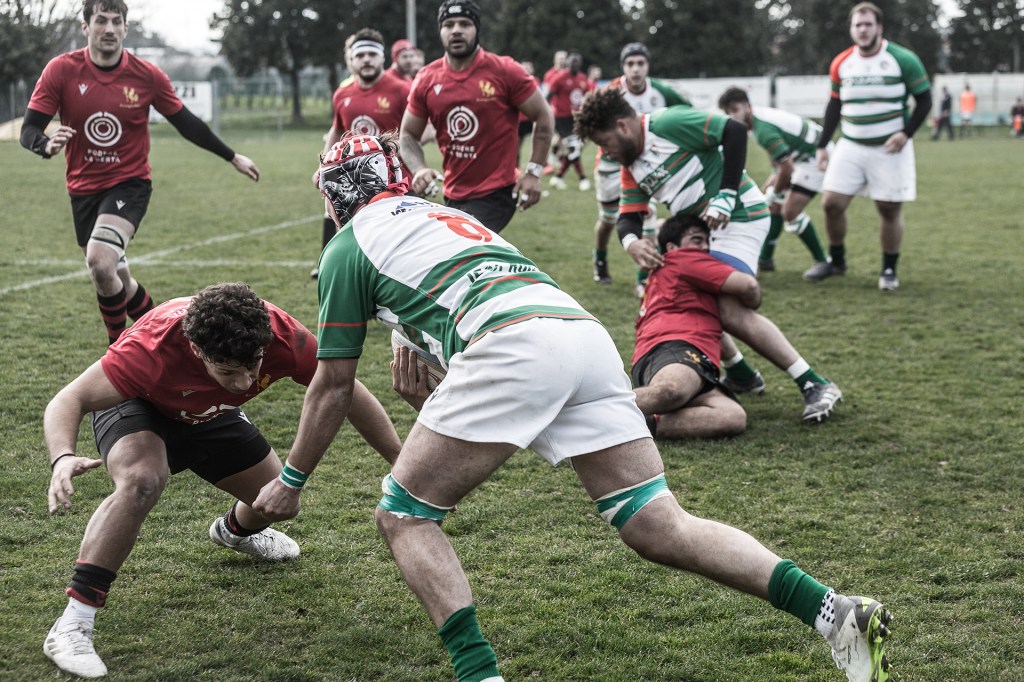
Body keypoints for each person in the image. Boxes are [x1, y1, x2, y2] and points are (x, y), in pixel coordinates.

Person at [251, 131, 892, 682]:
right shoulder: (443, 215)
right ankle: (834, 611)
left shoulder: (346, 247)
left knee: (404, 516)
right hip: (582, 336)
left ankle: (480, 675)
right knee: (657, 524)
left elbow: (333, 384)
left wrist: (292, 479)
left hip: (513, 346)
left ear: (337, 194)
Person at [41, 282, 402, 678]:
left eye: (254, 365)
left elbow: (345, 391)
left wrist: (401, 464)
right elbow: (69, 399)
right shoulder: (150, 350)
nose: (246, 383)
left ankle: (234, 532)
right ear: (197, 351)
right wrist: (63, 456)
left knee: (277, 501)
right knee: (142, 481)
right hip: (139, 405)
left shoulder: (282, 335)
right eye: (229, 371)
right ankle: (73, 623)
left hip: (209, 411)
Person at [575, 87, 844, 423]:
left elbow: (734, 131)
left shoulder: (667, 123)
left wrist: (726, 194)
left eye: (604, 143)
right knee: (692, 295)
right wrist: (631, 243)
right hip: (703, 229)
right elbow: (629, 215)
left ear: (622, 126)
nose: (605, 152)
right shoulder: (631, 165)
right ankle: (742, 374)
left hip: (740, 218)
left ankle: (814, 383)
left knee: (729, 307)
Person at [20, 0, 261, 346]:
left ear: (125, 28)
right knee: (119, 279)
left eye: (115, 21)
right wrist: (45, 145)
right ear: (86, 27)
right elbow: (30, 128)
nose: (109, 28)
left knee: (100, 263)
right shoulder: (61, 70)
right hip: (82, 189)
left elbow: (186, 123)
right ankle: (174, 341)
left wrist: (231, 156)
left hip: (129, 184)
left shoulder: (146, 76)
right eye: (100, 20)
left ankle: (117, 355)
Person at [805, 2, 931, 292]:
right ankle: (836, 262)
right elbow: (834, 105)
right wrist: (823, 145)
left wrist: (906, 134)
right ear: (851, 29)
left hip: (889, 149)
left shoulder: (903, 59)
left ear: (879, 27)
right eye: (857, 25)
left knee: (888, 209)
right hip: (850, 145)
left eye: (868, 24)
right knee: (831, 203)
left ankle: (888, 269)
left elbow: (925, 100)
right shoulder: (842, 62)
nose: (862, 30)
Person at [399, 0, 554, 233]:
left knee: (455, 246)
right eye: (449, 25)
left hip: (497, 192)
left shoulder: (505, 70)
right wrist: (419, 168)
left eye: (464, 24)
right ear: (440, 31)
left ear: (477, 29)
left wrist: (533, 171)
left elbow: (543, 114)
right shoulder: (426, 78)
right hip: (453, 192)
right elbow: (408, 134)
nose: (456, 30)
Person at [632, 215, 757, 439]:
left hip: (697, 359)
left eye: (707, 241)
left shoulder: (673, 271)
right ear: (672, 247)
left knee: (731, 416)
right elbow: (748, 286)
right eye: (697, 240)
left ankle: (633, 426)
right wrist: (753, 300)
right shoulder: (682, 258)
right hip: (673, 344)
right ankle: (590, 414)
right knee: (671, 389)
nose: (705, 247)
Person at [313, 28, 412, 280]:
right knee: (356, 249)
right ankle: (334, 270)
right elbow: (337, 129)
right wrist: (323, 166)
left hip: (396, 185)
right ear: (351, 60)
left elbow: (416, 132)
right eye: (360, 55)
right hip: (354, 186)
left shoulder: (402, 90)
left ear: (382, 57)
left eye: (371, 54)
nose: (366, 59)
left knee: (400, 251)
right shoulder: (343, 94)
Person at [591, 42, 690, 292]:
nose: (635, 69)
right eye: (630, 64)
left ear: (648, 65)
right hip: (610, 165)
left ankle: (643, 278)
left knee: (647, 215)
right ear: (623, 67)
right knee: (608, 219)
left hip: (645, 161)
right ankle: (600, 259)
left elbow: (686, 114)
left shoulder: (661, 91)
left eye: (640, 63)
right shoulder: (610, 92)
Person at [718, 87, 829, 275]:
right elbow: (778, 160)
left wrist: (775, 192)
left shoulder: (762, 130)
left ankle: (822, 261)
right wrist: (772, 184)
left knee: (790, 211)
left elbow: (787, 167)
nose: (732, 117)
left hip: (814, 159)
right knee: (772, 203)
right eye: (728, 113)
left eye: (735, 110)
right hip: (802, 158)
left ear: (748, 106)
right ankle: (765, 259)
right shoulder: (755, 122)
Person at [546, 52, 595, 192]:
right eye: (572, 62)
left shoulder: (582, 78)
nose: (574, 65)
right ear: (567, 64)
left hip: (575, 118)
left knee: (576, 148)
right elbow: (547, 96)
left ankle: (558, 177)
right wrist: (546, 114)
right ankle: (582, 179)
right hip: (561, 119)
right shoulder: (559, 77)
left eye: (577, 62)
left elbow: (588, 95)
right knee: (574, 147)